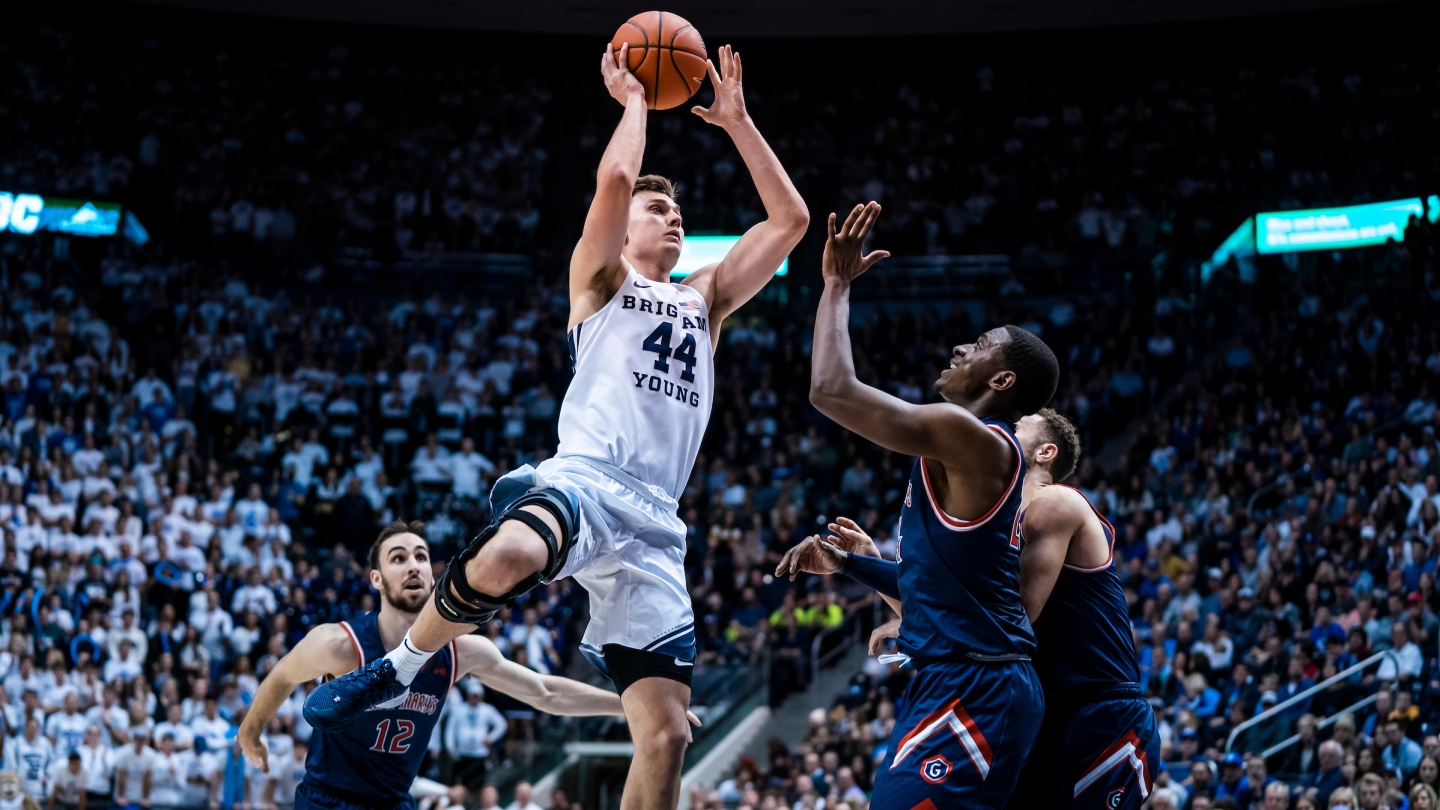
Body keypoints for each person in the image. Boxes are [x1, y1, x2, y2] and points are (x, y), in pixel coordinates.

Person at [304, 39, 803, 810]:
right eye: (657, 208)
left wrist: (737, 122)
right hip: (588, 480)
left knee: (666, 737)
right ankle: (399, 667)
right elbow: (612, 176)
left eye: (678, 210)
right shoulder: (599, 282)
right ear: (627, 230)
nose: (673, 217)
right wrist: (638, 102)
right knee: (509, 551)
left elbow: (791, 219)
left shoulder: (706, 300)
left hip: (657, 528)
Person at [776, 203, 1058, 808]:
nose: (961, 348)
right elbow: (939, 587)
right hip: (949, 677)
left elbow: (829, 389)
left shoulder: (975, 440)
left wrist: (834, 286)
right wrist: (853, 564)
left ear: (1002, 381)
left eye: (979, 345)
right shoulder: (959, 451)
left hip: (978, 683)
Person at [247, 522, 674, 810]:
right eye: (398, 558)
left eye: (420, 556)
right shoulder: (341, 644)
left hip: (395, 801)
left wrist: (630, 705)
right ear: (375, 579)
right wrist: (250, 734)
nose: (413, 565)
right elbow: (282, 675)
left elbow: (545, 692)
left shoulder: (461, 651)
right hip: (327, 799)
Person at [442, 680, 506, 792]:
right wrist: (450, 747)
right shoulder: (459, 709)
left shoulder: (487, 709)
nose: (474, 698)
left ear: (481, 696)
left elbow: (502, 724)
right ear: (468, 695)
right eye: (472, 696)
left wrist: (491, 737)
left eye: (477, 696)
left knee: (478, 784)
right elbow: (450, 729)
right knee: (459, 783)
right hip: (461, 753)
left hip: (479, 753)